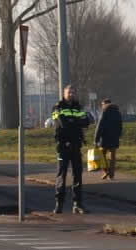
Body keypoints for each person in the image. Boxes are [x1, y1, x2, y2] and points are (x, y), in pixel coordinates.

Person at [51, 85, 92, 214]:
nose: (71, 94)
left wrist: (73, 121)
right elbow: (62, 123)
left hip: (76, 144)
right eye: (69, 92)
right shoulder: (58, 107)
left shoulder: (78, 107)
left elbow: (87, 121)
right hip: (63, 145)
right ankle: (59, 204)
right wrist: (76, 121)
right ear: (64, 93)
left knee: (78, 175)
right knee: (61, 175)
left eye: (73, 92)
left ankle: (77, 204)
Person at [94, 98, 123, 180]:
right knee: (112, 157)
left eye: (102, 104)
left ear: (104, 104)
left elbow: (99, 126)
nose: (102, 106)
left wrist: (96, 139)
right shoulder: (117, 112)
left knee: (101, 155)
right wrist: (118, 135)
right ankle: (111, 175)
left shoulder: (104, 111)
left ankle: (106, 171)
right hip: (114, 138)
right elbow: (120, 126)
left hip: (105, 138)